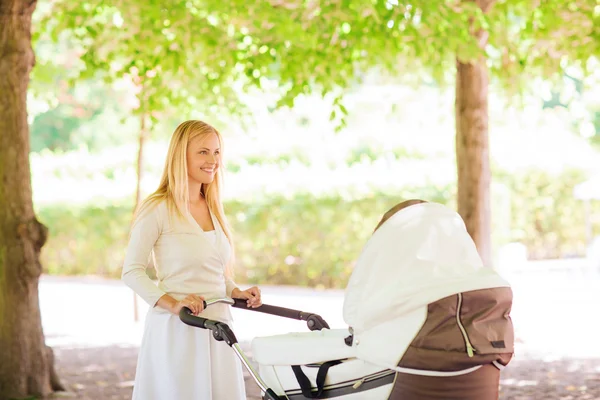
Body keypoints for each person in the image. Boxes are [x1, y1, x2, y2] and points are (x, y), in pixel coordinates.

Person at [122, 119, 262, 400]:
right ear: (180, 154)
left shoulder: (211, 206)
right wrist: (174, 305)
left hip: (219, 329)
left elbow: (213, 270)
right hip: (180, 329)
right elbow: (132, 271)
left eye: (217, 152)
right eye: (203, 152)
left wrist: (236, 291)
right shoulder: (157, 208)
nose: (213, 160)